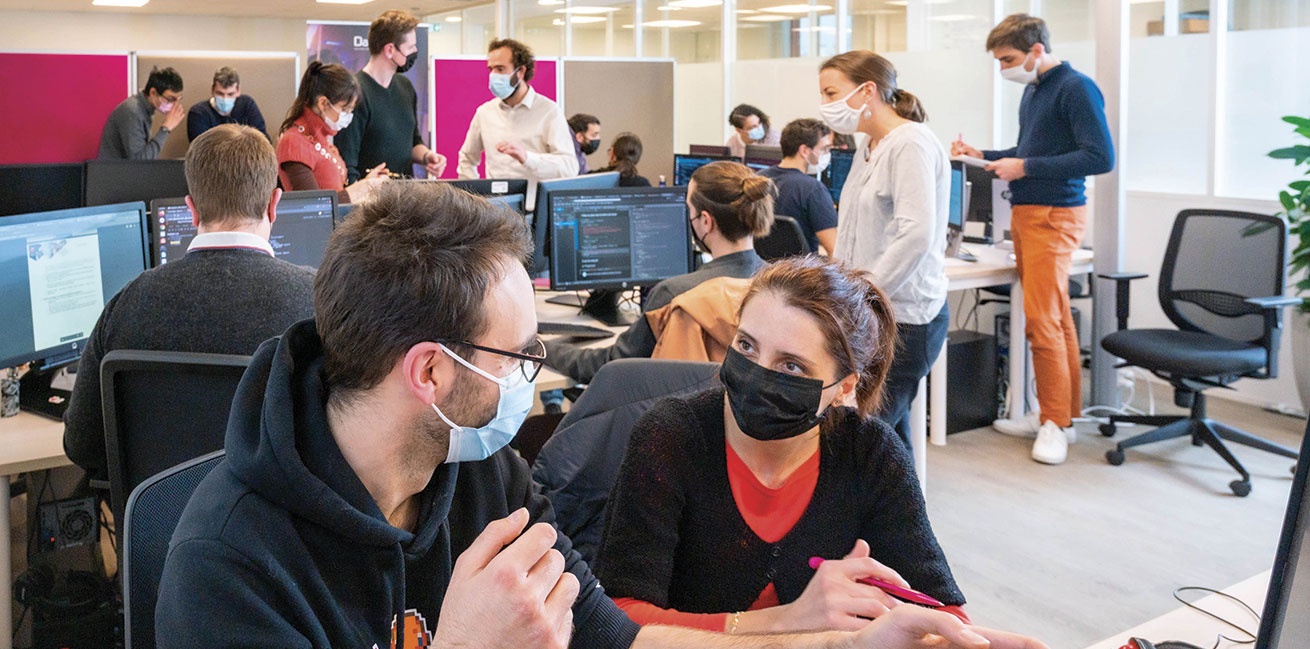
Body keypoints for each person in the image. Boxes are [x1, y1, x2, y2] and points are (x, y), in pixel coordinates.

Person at [153, 180, 1048, 649]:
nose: (533, 378)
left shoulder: (481, 476)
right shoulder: (229, 560)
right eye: (518, 356)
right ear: (430, 370)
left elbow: (622, 637)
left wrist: (837, 640)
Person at [596, 255, 967, 633]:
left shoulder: (869, 452)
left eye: (791, 366)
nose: (757, 374)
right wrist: (783, 622)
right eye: (746, 346)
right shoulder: (671, 436)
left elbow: (941, 609)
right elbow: (619, 617)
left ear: (844, 388)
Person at [63, 124, 315, 480]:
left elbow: (82, 446)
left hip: (162, 530)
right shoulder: (319, 302)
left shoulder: (127, 304)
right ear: (275, 205)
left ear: (192, 210)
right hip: (280, 531)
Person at [953, 14, 1113, 465]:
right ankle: (1056, 414)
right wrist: (983, 155)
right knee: (1053, 318)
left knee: (1042, 322)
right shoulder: (1035, 90)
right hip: (1028, 212)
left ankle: (1055, 423)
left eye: (1008, 59)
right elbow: (1029, 152)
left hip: (1054, 214)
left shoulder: (1076, 88)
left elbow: (1099, 156)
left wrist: (1024, 168)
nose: (1004, 68)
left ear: (1037, 49)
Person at [818, 50, 949, 452]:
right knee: (886, 437)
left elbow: (916, 234)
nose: (825, 105)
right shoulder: (870, 145)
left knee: (859, 438)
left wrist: (862, 295)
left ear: (867, 90)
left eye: (831, 92)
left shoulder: (910, 144)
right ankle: (901, 511)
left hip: (904, 317)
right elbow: (856, 231)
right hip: (870, 311)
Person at [544, 161, 771, 384]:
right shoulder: (780, 285)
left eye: (688, 210)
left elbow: (611, 366)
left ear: (705, 221)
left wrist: (543, 347)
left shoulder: (677, 294)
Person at [335, 10, 446, 182]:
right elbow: (347, 162)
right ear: (389, 50)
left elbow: (413, 141)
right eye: (410, 47)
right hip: (371, 201)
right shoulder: (355, 93)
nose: (415, 51)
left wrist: (427, 156)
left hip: (405, 195)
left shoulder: (406, 87)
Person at [457, 39, 579, 190]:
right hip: (496, 207)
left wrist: (528, 158)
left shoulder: (549, 111)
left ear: (520, 72)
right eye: (491, 69)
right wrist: (474, 197)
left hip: (534, 206)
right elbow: (467, 158)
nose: (494, 75)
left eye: (500, 69)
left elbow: (569, 168)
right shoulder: (485, 112)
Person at [277, 61, 389, 204]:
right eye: (344, 110)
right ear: (323, 103)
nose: (348, 116)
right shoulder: (293, 142)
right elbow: (315, 207)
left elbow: (336, 193)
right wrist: (363, 187)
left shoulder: (325, 144)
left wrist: (367, 184)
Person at [760, 119, 839, 254]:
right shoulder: (813, 189)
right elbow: (835, 249)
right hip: (801, 272)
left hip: (763, 271)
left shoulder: (759, 179)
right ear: (804, 150)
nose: (827, 155)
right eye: (824, 149)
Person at [97, 66, 184, 160]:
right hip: (114, 173)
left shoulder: (144, 109)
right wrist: (165, 129)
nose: (175, 104)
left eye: (178, 99)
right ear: (153, 93)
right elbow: (140, 161)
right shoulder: (132, 111)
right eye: (170, 99)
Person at [187, 66, 270, 142]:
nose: (225, 98)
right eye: (220, 93)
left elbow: (262, 140)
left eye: (230, 94)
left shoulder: (247, 105)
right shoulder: (198, 113)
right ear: (212, 90)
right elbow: (200, 149)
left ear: (238, 91)